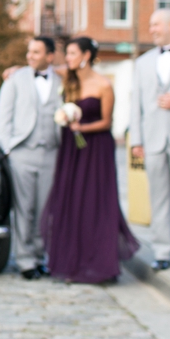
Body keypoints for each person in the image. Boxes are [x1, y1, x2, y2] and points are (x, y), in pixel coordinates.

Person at [41, 37, 139, 283]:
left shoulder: (104, 85)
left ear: (85, 55)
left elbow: (108, 122)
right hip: (71, 150)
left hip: (96, 149)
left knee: (96, 202)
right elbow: (44, 69)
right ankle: (72, 262)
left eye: (72, 53)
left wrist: (81, 127)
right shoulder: (67, 79)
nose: (68, 58)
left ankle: (100, 265)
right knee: (71, 201)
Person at [0, 36, 61, 280]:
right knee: (24, 209)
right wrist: (8, 147)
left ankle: (41, 256)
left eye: (36, 52)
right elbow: (5, 115)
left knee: (46, 210)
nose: (30, 56)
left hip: (52, 153)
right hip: (22, 152)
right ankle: (25, 261)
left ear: (50, 56)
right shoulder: (15, 79)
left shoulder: (61, 81)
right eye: (29, 51)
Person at [130, 8, 170, 271]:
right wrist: (137, 140)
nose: (151, 30)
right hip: (153, 141)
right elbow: (136, 104)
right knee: (159, 198)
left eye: (156, 25)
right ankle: (162, 252)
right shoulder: (143, 62)